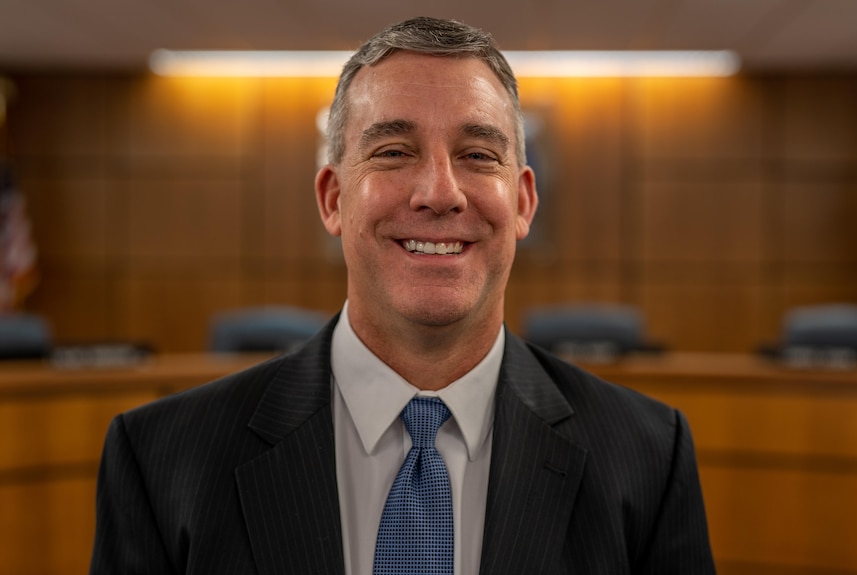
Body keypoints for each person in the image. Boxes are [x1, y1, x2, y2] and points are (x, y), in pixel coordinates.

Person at [90, 16, 715, 575]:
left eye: (477, 153)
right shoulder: (161, 461)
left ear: (523, 201)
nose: (439, 193)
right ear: (333, 199)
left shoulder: (647, 457)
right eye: (393, 152)